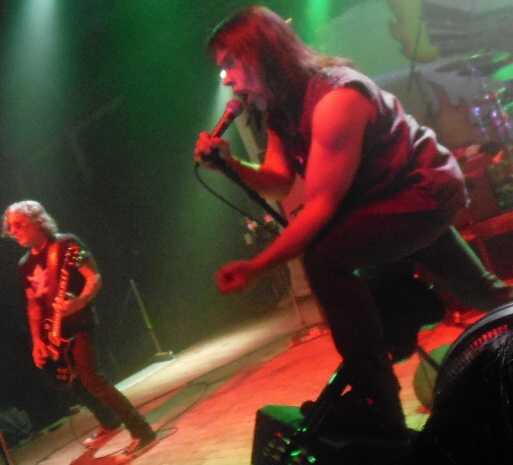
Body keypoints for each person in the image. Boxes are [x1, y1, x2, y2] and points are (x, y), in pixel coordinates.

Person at [194, 6, 513, 437]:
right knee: (479, 291)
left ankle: (380, 406)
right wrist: (231, 165)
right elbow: (278, 181)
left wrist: (257, 265)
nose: (227, 79)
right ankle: (400, 349)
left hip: (423, 193)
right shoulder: (281, 108)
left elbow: (321, 206)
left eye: (231, 63)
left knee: (325, 257)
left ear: (262, 54)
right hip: (387, 199)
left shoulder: (336, 98)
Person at [2, 200, 156, 454]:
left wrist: (79, 302)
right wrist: (38, 341)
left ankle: (143, 431)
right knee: (71, 382)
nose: (13, 231)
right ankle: (109, 421)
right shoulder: (25, 263)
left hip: (79, 323)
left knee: (92, 379)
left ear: (38, 221)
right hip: (53, 333)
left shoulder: (66, 245)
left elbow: (93, 277)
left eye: (19, 225)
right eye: (10, 227)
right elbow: (34, 305)